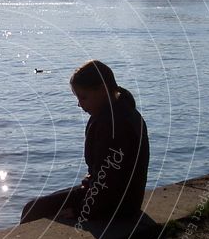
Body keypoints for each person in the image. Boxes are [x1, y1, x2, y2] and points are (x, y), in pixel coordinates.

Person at [20, 60, 149, 225]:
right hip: (127, 200)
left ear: (102, 90)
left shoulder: (111, 125)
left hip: (115, 206)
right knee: (44, 203)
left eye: (83, 97)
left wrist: (81, 210)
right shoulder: (125, 112)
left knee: (32, 210)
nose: (79, 104)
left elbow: (107, 181)